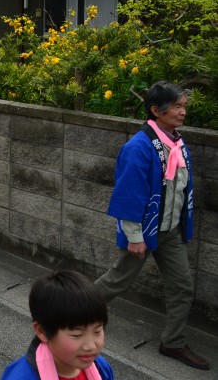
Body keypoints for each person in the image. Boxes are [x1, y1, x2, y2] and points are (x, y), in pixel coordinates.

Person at [94, 80, 209, 370]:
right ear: (156, 110)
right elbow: (129, 193)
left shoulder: (177, 143)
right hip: (144, 231)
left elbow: (181, 190)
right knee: (116, 282)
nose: (183, 112)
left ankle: (173, 341)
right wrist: (134, 236)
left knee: (182, 286)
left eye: (184, 106)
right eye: (177, 107)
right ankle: (69, 312)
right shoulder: (139, 147)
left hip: (170, 231)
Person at [1, 270, 114, 380]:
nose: (91, 346)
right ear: (42, 331)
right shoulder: (21, 376)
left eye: (97, 331)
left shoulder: (101, 367)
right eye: (77, 335)